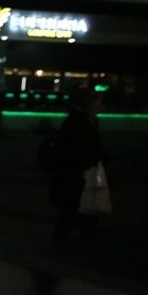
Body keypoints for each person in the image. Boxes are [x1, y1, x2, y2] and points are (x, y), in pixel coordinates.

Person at [49, 87, 106, 240]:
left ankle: (67, 242)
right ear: (89, 104)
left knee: (71, 215)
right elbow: (80, 151)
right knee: (78, 214)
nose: (101, 106)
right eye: (98, 103)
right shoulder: (81, 123)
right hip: (78, 177)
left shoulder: (78, 121)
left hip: (75, 178)